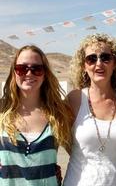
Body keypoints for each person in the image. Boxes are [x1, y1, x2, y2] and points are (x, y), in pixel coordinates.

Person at [63, 33, 116, 186]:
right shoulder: (74, 100)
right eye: (91, 59)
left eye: (105, 57)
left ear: (114, 63)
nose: (99, 63)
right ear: (84, 65)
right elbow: (60, 139)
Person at [0, 45, 73, 185]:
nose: (29, 74)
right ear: (14, 72)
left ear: (45, 74)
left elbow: (81, 153)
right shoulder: (2, 110)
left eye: (36, 69)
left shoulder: (58, 114)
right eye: (22, 68)